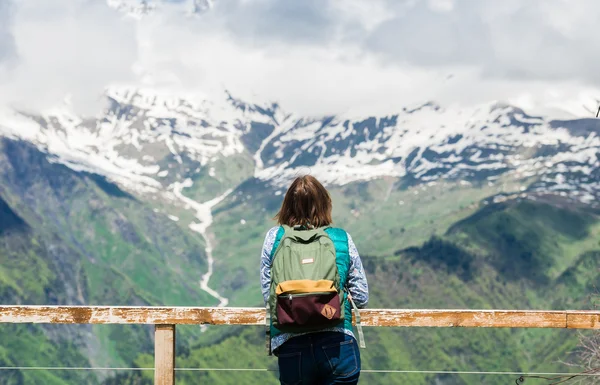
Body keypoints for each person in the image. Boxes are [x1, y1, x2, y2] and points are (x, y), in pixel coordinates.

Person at [260, 175, 369, 385]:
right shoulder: (341, 238)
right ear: (324, 204)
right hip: (339, 342)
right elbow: (361, 296)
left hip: (291, 344)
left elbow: (269, 294)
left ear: (287, 206)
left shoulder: (274, 238)